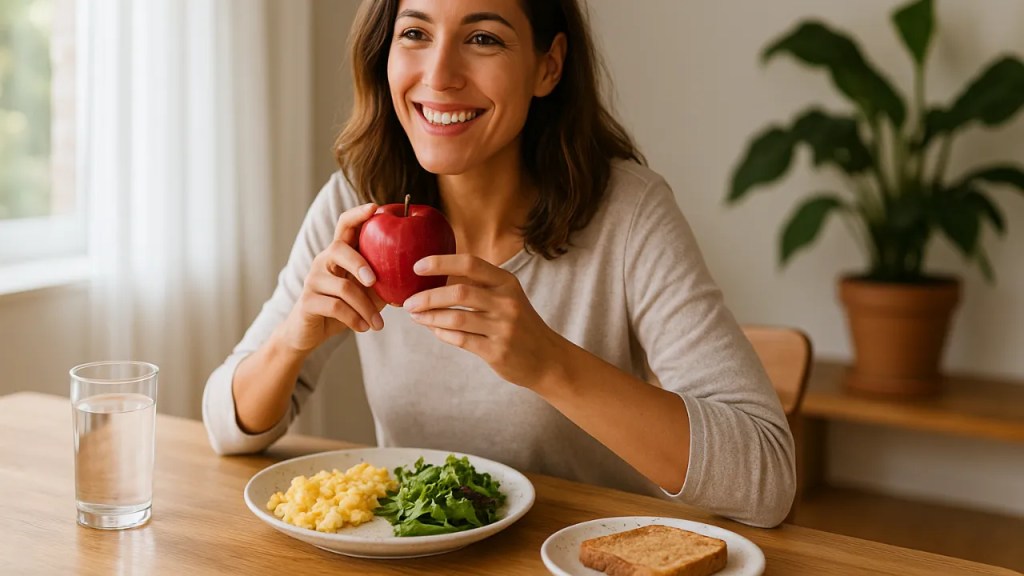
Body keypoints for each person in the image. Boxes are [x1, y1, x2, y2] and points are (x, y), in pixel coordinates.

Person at [202, 0, 795, 528]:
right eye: (415, 33)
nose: (439, 76)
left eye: (483, 38)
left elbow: (767, 478)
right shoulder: (355, 204)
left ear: (547, 66)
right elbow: (224, 430)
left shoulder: (630, 213)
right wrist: (291, 342)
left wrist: (550, 365)